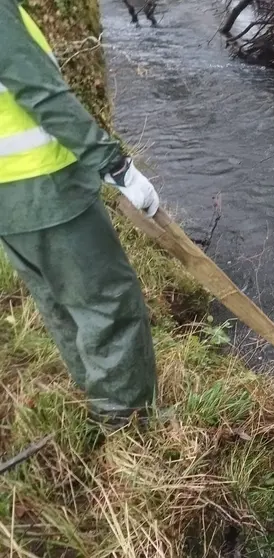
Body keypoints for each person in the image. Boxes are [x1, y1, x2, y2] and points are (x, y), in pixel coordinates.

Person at [1, 0, 163, 425]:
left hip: (8, 200)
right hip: (46, 189)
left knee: (62, 302)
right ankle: (128, 427)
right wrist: (114, 165)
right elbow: (40, 93)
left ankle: (101, 402)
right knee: (108, 304)